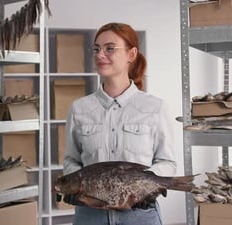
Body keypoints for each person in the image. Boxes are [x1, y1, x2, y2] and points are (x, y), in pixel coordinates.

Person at [62, 22, 177, 225]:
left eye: (109, 48)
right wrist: (73, 183)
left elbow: (167, 162)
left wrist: (148, 186)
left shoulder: (155, 108)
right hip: (90, 216)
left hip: (140, 216)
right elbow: (71, 159)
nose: (100, 55)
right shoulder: (79, 109)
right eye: (96, 49)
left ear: (131, 55)